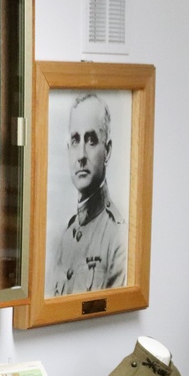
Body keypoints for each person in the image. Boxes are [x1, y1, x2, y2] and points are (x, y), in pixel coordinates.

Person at [48, 93, 127, 296]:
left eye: (91, 140)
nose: (81, 155)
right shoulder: (64, 239)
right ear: (68, 149)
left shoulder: (118, 237)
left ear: (107, 151)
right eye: (75, 140)